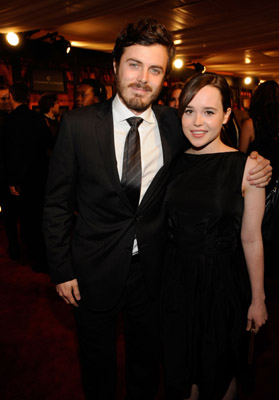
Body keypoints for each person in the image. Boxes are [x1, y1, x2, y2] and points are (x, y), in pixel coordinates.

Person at [43, 17, 271, 400]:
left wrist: (254, 164)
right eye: (134, 65)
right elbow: (56, 204)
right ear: (115, 66)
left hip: (156, 274)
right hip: (92, 269)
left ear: (164, 77)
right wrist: (61, 268)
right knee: (97, 367)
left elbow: (211, 157)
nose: (142, 78)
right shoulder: (78, 124)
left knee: (146, 366)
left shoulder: (174, 124)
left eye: (155, 69)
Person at [161, 72, 268, 400]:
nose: (197, 122)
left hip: (222, 289)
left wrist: (258, 297)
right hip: (176, 286)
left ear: (226, 115)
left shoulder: (247, 167)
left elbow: (251, 239)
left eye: (209, 112)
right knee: (183, 379)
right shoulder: (172, 162)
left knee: (219, 376)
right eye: (189, 110)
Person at [5, 82, 51, 271]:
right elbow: (49, 142)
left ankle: (32, 255)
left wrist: (12, 180)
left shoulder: (8, 122)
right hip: (40, 175)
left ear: (11, 96)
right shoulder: (38, 118)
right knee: (39, 217)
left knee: (25, 219)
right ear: (28, 97)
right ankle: (42, 256)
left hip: (20, 178)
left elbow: (7, 154)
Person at [239, 80, 279, 276]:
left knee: (256, 233)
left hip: (258, 186)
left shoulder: (250, 125)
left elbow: (239, 159)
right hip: (276, 184)